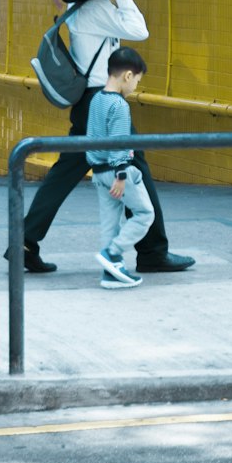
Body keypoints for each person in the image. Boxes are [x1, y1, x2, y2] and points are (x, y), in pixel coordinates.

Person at [17, 0, 194, 275]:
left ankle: (25, 242)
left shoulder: (77, 7)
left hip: (90, 102)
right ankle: (152, 251)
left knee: (70, 170)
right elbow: (139, 30)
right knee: (131, 166)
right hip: (104, 101)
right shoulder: (97, 9)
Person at [86, 46, 154, 290]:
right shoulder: (120, 106)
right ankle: (113, 253)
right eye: (137, 80)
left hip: (98, 172)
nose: (136, 85)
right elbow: (119, 142)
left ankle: (110, 275)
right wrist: (122, 174)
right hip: (118, 174)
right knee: (145, 214)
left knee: (110, 224)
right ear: (127, 76)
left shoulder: (96, 100)